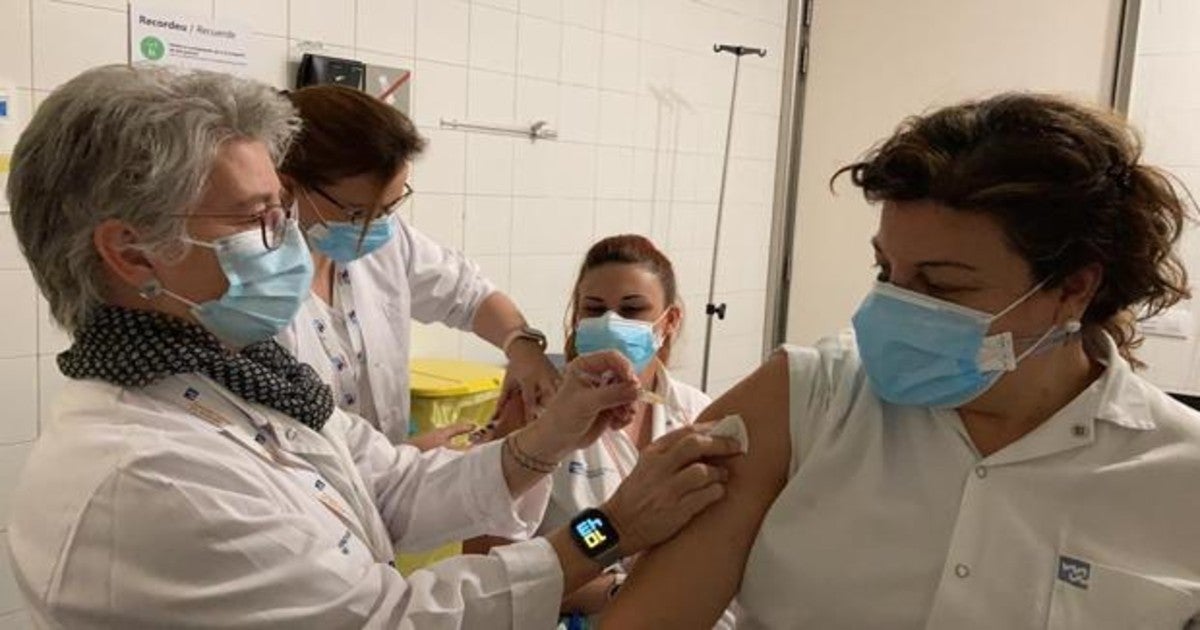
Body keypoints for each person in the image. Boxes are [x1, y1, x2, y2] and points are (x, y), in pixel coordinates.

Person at [3, 65, 742, 628]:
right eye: (260, 218)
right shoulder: (152, 476)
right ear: (133, 255)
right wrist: (608, 529)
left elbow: (394, 488)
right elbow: (396, 617)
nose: (287, 241)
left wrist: (548, 438)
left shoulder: (241, 379)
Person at [603, 93, 1200, 629]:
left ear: (1073, 288)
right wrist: (595, 531)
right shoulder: (802, 402)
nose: (895, 309)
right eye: (887, 272)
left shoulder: (1181, 477)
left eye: (941, 286)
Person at [274, 84, 560, 449]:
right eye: (359, 212)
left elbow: (470, 295)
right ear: (287, 189)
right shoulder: (258, 293)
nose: (377, 226)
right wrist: (408, 461)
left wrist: (522, 346)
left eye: (390, 208)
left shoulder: (388, 244)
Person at [468, 235, 735, 625]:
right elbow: (483, 571)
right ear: (577, 320)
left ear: (669, 321)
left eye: (632, 310)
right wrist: (609, 590)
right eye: (593, 309)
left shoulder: (698, 414)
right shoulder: (537, 412)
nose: (611, 323)